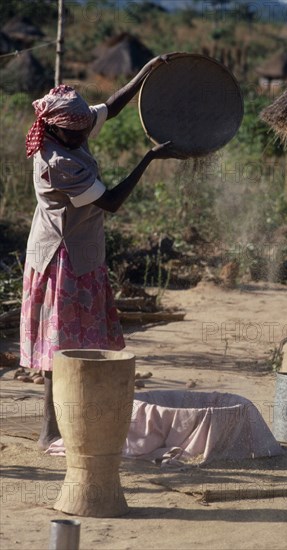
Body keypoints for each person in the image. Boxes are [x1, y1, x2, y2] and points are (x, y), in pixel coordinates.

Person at [21, 54, 183, 450]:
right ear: (58, 132)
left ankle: (73, 424)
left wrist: (145, 71)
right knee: (60, 351)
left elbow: (109, 107)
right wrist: (149, 157)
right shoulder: (57, 162)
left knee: (81, 345)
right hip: (62, 260)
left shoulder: (68, 129)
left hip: (82, 253)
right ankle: (50, 432)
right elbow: (110, 201)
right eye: (78, 135)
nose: (85, 136)